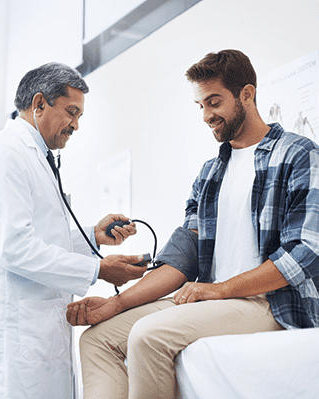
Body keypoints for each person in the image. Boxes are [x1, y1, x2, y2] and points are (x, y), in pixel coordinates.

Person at [66, 50, 319, 399]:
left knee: (147, 335)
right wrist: (115, 304)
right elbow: (184, 259)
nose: (206, 115)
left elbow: (304, 253)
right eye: (200, 105)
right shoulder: (210, 174)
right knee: (97, 340)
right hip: (214, 298)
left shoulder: (298, 154)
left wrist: (219, 289)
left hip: (269, 302)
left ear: (247, 94)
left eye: (213, 102)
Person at [0, 62, 148, 399]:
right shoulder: (5, 154)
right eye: (71, 112)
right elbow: (13, 248)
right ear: (39, 104)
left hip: (37, 333)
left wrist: (93, 235)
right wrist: (98, 269)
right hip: (11, 342)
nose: (76, 125)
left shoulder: (36, 156)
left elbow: (41, 240)